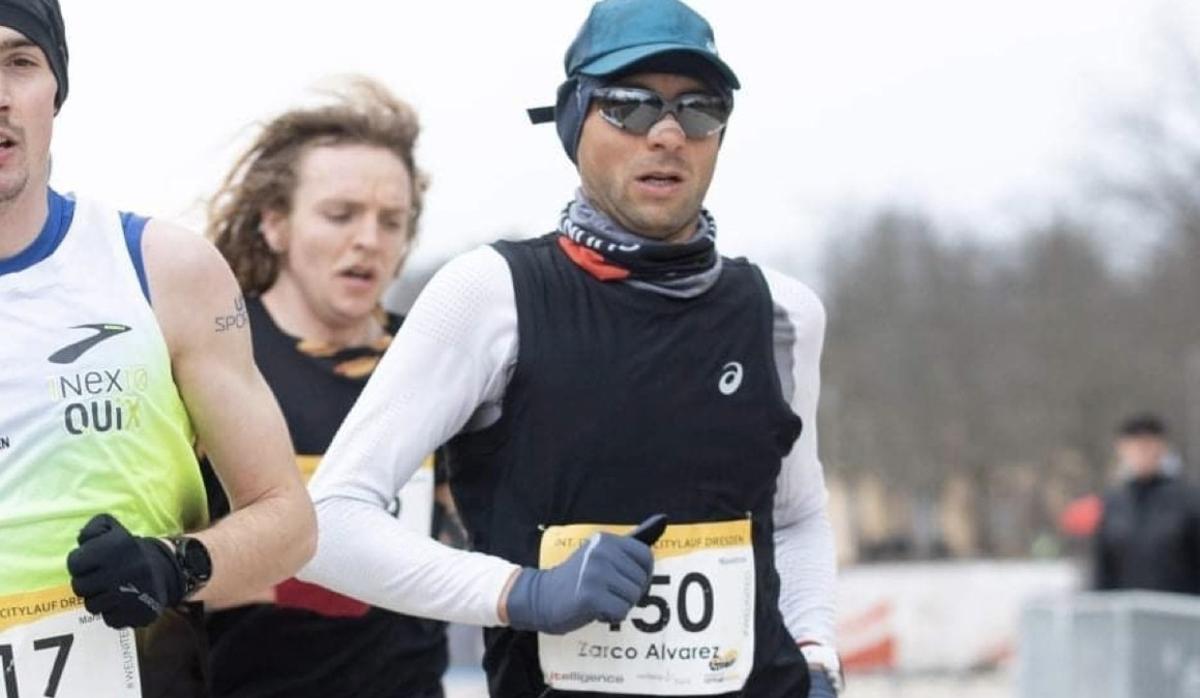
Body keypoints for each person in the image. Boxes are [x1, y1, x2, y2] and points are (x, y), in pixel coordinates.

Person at [299, 0, 841, 696]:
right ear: (572, 119)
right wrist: (525, 593)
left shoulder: (785, 313)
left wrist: (818, 651)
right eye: (630, 106)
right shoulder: (490, 295)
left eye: (700, 109)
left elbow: (797, 518)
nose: (670, 133)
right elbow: (328, 525)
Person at [0, 1, 316, 696]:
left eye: (18, 62)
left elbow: (287, 520)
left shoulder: (165, 268)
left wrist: (173, 565)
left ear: (56, 88)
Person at [202, 77, 452, 698]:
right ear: (276, 225)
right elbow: (141, 574)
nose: (369, 238)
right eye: (341, 215)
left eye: (391, 221)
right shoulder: (215, 356)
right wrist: (295, 573)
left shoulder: (439, 361)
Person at [1094, 412, 1200, 594]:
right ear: (1122, 449)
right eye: (1135, 446)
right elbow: (1104, 570)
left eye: (1148, 445)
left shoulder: (1188, 501)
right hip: (1128, 615)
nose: (1141, 452)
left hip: (1180, 613)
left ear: (1162, 447)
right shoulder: (1113, 504)